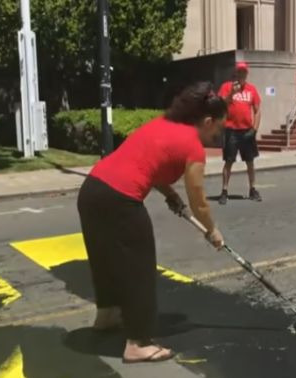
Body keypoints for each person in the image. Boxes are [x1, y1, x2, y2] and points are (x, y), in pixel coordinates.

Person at [77, 82, 226, 363]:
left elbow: (147, 161)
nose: (218, 134)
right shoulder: (193, 147)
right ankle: (138, 342)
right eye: (218, 127)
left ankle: (107, 315)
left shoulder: (164, 123)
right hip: (120, 200)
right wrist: (212, 230)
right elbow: (200, 201)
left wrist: (170, 195)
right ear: (207, 121)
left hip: (92, 190)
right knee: (139, 270)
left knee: (106, 259)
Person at [217, 61, 262, 205]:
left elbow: (257, 110)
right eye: (239, 72)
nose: (242, 74)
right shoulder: (226, 87)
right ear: (236, 73)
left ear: (246, 74)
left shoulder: (252, 90)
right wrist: (232, 93)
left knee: (250, 162)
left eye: (244, 72)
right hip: (231, 130)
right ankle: (224, 191)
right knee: (228, 161)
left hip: (247, 130)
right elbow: (221, 104)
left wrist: (254, 129)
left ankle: (252, 189)